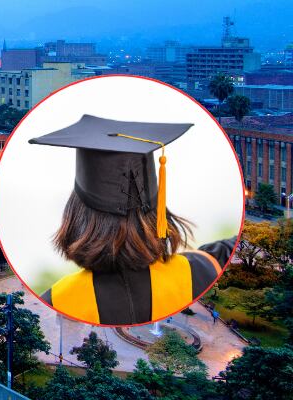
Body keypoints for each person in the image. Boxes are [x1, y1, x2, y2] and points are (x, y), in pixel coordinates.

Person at [30, 115, 236, 325]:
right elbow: (230, 248)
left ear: (76, 214)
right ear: (158, 212)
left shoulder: (58, 300)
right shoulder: (203, 270)